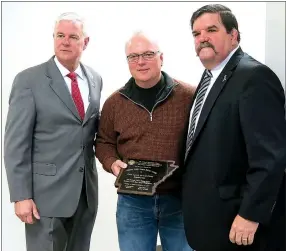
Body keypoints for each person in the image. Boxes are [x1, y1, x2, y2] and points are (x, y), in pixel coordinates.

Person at [182, 4, 286, 251]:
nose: (202, 38)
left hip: (238, 222)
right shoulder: (210, 77)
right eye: (196, 34)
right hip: (212, 220)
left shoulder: (254, 77)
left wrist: (251, 215)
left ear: (234, 35)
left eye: (211, 29)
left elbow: (270, 157)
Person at [4, 12, 102, 251]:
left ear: (85, 42)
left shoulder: (95, 79)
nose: (64, 42)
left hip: (85, 195)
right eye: (59, 35)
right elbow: (15, 144)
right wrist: (20, 195)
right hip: (44, 197)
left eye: (72, 36)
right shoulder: (29, 80)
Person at [95, 31, 195, 251]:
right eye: (133, 56)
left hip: (179, 199)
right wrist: (112, 163)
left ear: (161, 58)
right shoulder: (114, 102)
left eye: (148, 54)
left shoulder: (189, 96)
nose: (140, 62)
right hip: (133, 202)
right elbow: (103, 142)